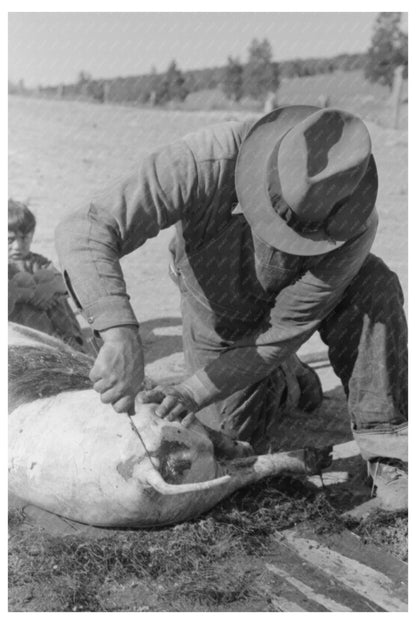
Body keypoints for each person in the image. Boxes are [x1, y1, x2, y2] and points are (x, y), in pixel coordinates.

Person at [55, 106, 408, 511]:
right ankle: (287, 380)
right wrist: (119, 334)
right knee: (216, 442)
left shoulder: (355, 222)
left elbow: (282, 332)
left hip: (294, 315)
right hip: (219, 310)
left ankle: (392, 458)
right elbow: (84, 227)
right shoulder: (206, 159)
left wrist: (191, 390)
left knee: (374, 286)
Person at [8, 199, 85, 351]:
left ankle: (69, 340)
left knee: (47, 278)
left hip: (51, 327)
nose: (18, 246)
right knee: (21, 281)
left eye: (24, 238)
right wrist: (29, 294)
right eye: (9, 239)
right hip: (18, 331)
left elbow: (67, 284)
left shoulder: (37, 262)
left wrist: (50, 288)